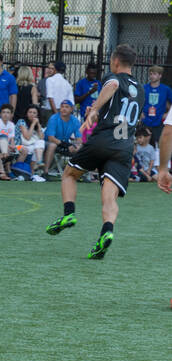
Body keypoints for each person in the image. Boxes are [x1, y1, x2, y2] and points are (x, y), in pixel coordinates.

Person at [45, 43, 141, 260]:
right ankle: (107, 231)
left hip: (103, 140)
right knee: (109, 196)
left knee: (69, 174)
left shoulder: (113, 76)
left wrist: (95, 108)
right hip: (124, 148)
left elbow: (114, 85)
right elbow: (121, 114)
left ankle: (68, 214)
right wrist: (97, 111)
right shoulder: (141, 90)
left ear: (116, 61)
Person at [43, 100, 81, 174]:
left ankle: (79, 174)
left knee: (81, 148)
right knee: (52, 145)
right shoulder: (53, 118)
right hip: (48, 142)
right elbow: (51, 138)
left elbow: (79, 138)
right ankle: (45, 172)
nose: (64, 109)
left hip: (64, 143)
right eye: (62, 107)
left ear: (71, 109)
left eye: (67, 107)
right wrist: (68, 145)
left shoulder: (75, 120)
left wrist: (77, 146)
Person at [15, 105, 46, 180]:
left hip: (30, 146)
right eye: (30, 112)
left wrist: (38, 125)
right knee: (31, 148)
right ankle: (18, 171)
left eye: (34, 113)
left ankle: (37, 164)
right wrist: (33, 124)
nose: (32, 114)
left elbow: (42, 138)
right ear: (26, 113)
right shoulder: (21, 122)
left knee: (39, 144)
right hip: (17, 146)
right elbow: (27, 137)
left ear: (37, 115)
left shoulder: (37, 124)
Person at [141, 65, 171, 144]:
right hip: (145, 121)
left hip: (159, 121)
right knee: (143, 144)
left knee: (158, 145)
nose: (152, 76)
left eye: (154, 74)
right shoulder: (144, 88)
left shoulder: (166, 89)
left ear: (160, 76)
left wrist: (168, 114)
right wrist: (140, 113)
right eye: (150, 74)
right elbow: (137, 102)